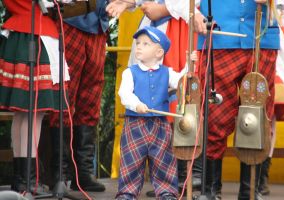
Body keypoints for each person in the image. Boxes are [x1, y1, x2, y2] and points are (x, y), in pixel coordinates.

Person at [106, 0, 203, 195]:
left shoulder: (166, 72)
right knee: (132, 162)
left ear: (159, 52)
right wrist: (136, 104)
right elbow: (124, 94)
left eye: (145, 44)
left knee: (163, 161)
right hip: (136, 125)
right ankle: (127, 193)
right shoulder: (130, 73)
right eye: (138, 43)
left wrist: (188, 65)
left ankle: (167, 192)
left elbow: (182, 81)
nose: (139, 47)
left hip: (159, 126)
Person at [194, 0, 280, 199]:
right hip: (219, 38)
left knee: (257, 115)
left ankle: (250, 191)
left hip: (262, 38)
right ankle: (211, 191)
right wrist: (194, 15)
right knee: (215, 115)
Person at [0, 0, 70, 195]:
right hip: (36, 32)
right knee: (33, 113)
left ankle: (22, 179)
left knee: (23, 113)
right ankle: (28, 180)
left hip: (20, 33)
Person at [48, 0, 108, 192]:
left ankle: (83, 172)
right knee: (65, 92)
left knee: (91, 96)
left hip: (98, 25)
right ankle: (60, 172)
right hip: (70, 21)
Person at [259, 0, 284, 195]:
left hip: (273, 42)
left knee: (269, 109)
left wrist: (277, 28)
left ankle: (260, 173)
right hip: (239, 39)